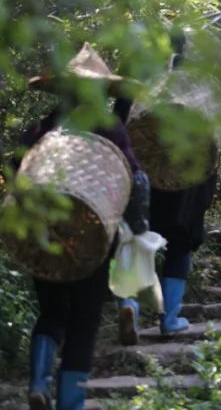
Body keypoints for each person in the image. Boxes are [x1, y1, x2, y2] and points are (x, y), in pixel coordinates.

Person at [13, 44, 150, 410]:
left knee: (52, 312)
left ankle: (39, 383)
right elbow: (132, 178)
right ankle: (70, 403)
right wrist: (135, 227)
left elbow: (16, 172)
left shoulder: (43, 128)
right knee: (84, 320)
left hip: (45, 232)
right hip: (93, 232)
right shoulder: (110, 129)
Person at [114, 28, 219, 346]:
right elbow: (215, 129)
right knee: (181, 241)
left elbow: (118, 122)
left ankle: (130, 304)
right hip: (186, 173)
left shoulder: (136, 77)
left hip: (140, 168)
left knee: (133, 238)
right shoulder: (199, 80)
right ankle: (170, 318)